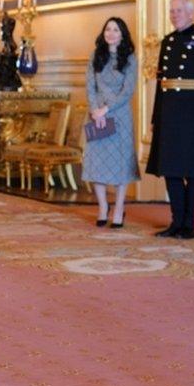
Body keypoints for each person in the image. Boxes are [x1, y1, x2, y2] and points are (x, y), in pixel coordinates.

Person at [145, 0, 194, 239]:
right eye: (171, 11)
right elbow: (162, 83)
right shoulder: (167, 42)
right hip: (169, 114)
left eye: (179, 10)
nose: (174, 14)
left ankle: (191, 225)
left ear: (191, 14)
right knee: (171, 170)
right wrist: (156, 117)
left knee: (192, 171)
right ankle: (176, 222)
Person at [82, 17, 140, 228]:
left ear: (122, 34)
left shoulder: (130, 58)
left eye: (116, 30)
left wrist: (107, 109)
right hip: (97, 116)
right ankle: (103, 207)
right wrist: (96, 110)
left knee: (121, 164)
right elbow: (90, 87)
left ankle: (118, 208)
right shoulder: (96, 55)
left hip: (120, 116)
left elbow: (128, 90)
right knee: (96, 161)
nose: (111, 33)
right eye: (108, 29)